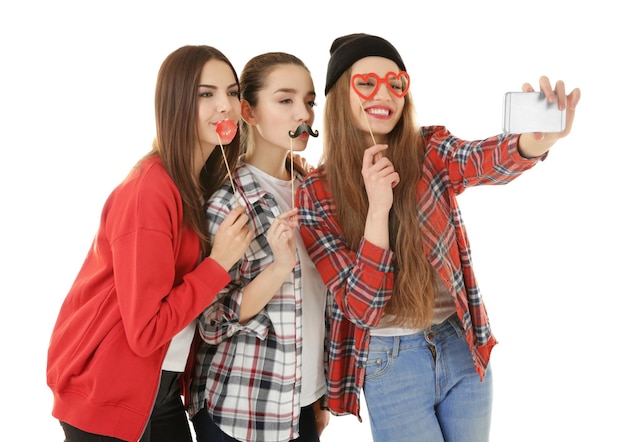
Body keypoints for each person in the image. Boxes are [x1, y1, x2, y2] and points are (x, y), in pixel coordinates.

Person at [296, 33, 581, 442]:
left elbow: (478, 160)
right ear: (341, 94)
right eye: (367, 82)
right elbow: (362, 308)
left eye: (396, 83)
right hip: (389, 363)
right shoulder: (315, 193)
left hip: (459, 342)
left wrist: (533, 143)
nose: (385, 93)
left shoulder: (428, 148)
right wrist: (378, 209)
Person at [46, 45, 254, 442]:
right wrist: (219, 263)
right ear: (175, 103)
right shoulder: (151, 189)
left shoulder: (197, 183)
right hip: (106, 392)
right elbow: (145, 330)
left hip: (159, 387)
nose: (224, 105)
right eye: (205, 94)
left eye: (231, 91)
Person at [187, 52, 330, 442]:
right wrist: (278, 268)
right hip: (241, 408)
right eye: (285, 100)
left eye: (309, 101)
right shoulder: (226, 204)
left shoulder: (314, 192)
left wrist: (318, 397)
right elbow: (211, 321)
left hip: (301, 403)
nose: (303, 113)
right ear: (247, 112)